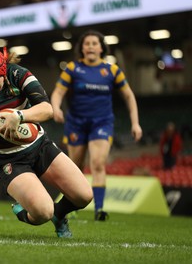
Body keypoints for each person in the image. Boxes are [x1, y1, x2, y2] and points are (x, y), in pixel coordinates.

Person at [0, 49, 93, 238]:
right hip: (6, 159)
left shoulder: (18, 74)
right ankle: (25, 212)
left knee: (84, 195)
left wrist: (19, 115)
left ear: (4, 71)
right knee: (43, 212)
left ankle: (59, 215)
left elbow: (47, 109)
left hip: (39, 145)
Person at [50, 30, 143, 221]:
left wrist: (135, 123)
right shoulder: (72, 69)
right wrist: (56, 108)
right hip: (76, 123)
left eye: (94, 43)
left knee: (98, 163)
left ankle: (99, 210)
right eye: (87, 43)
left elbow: (128, 95)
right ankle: (70, 206)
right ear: (81, 48)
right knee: (75, 167)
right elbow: (58, 92)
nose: (91, 46)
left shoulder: (112, 70)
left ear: (101, 48)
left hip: (102, 123)